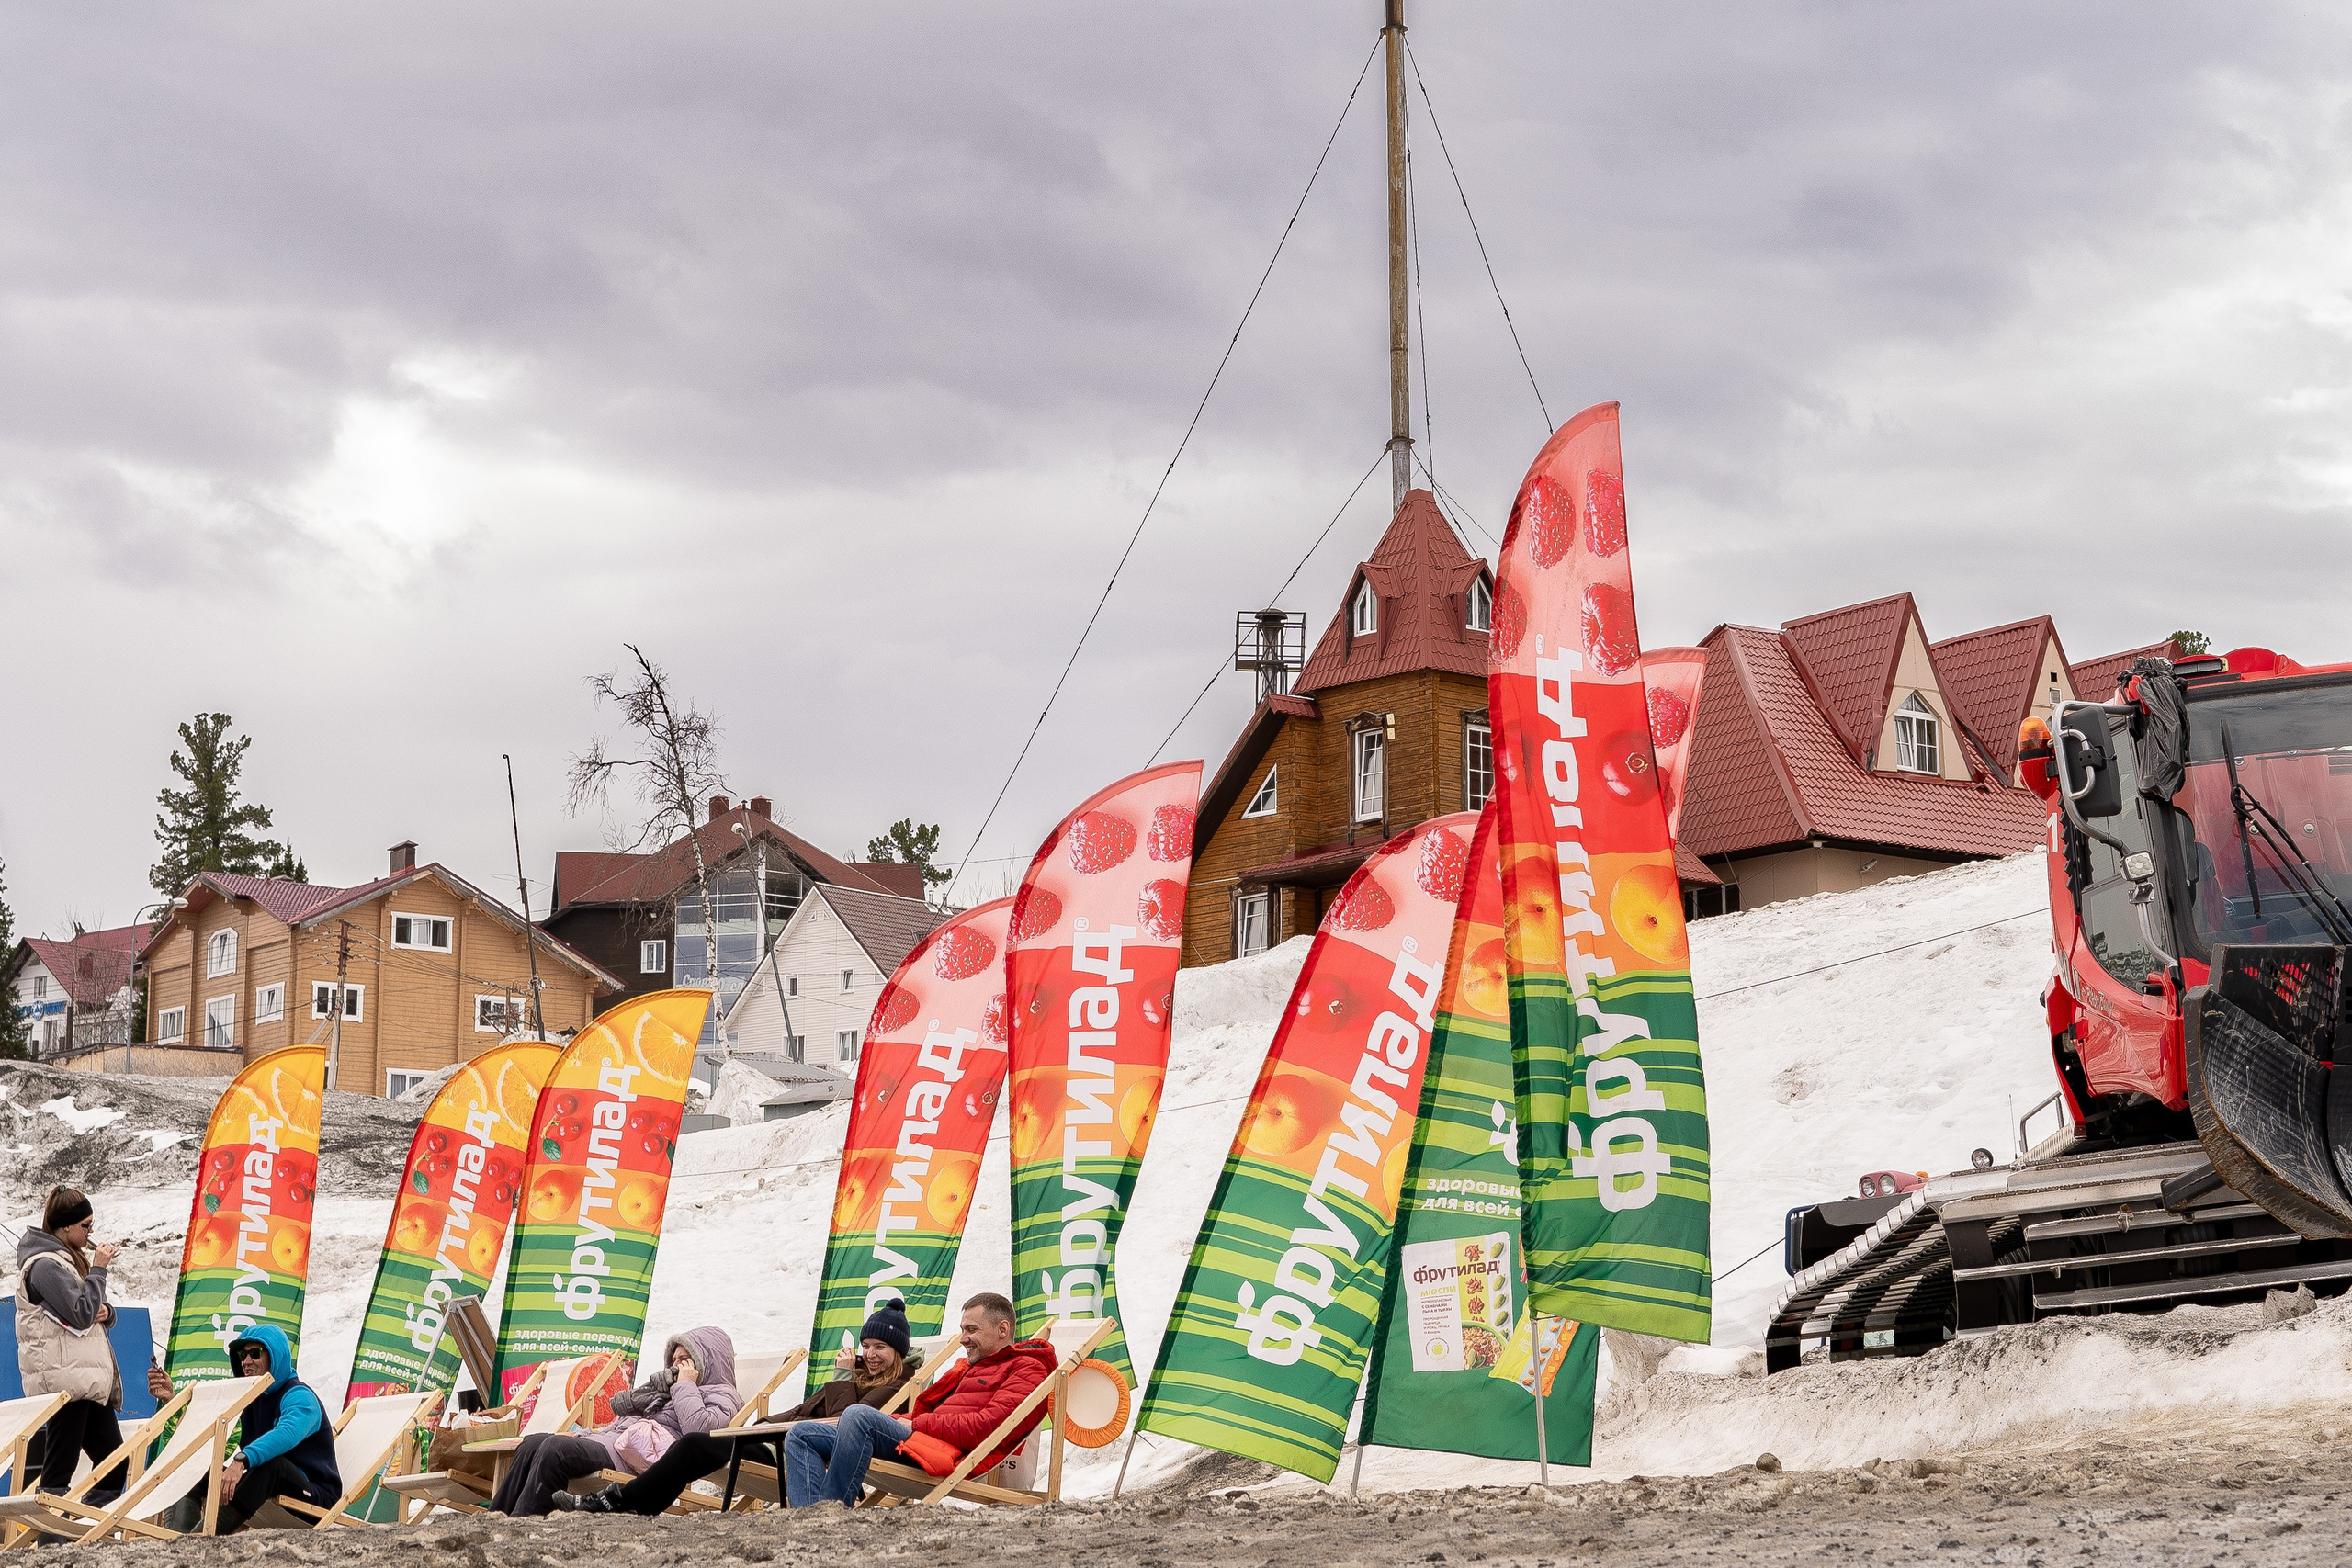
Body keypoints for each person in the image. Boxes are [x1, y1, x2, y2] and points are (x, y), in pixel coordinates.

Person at [556, 1300, 916, 1516]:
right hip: (773, 1438)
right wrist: (760, 1423)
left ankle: (622, 1502)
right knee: (697, 1446)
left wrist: (840, 1376)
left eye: (880, 1348)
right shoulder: (854, 1381)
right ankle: (624, 1502)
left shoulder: (897, 1385)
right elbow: (801, 1412)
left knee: (695, 1444)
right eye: (866, 1345)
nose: (869, 1354)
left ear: (897, 1353)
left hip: (798, 1450)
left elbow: (842, 1424)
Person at [782, 1292, 1056, 1508]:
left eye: (971, 1329)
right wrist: (906, 1420)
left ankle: (830, 1514)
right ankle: (811, 1519)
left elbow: (986, 1427)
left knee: (857, 1416)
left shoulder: (1027, 1368)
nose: (963, 1339)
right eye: (962, 1330)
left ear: (1002, 1329)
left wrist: (918, 1423)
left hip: (944, 1453)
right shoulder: (971, 1366)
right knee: (801, 1434)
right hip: (922, 1440)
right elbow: (936, 1411)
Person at [489, 1327, 741, 1517]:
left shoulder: (722, 1395)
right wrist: (657, 1390)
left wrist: (686, 1385)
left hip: (636, 1457)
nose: (676, 1366)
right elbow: (620, 1407)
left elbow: (700, 1433)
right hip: (612, 1440)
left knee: (555, 1450)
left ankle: (525, 1525)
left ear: (707, 1360)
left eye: (685, 1359)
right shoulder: (668, 1389)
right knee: (532, 1443)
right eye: (673, 1360)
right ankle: (496, 1519)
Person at [16, 1187, 130, 1502]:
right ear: (65, 1226)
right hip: (65, 1379)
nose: (90, 1232)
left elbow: (93, 1308)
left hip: (84, 1378)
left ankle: (84, 1533)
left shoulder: (66, 1261)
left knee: (115, 1464)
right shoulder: (44, 1266)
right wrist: (100, 1269)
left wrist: (107, 1312)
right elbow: (81, 1314)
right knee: (58, 1471)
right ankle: (51, 1539)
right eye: (86, 1225)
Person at [211, 1324, 342, 1532]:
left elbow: (287, 1433)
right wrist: (169, 1400)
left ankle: (205, 1538)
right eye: (242, 1355)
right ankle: (178, 1540)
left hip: (316, 1498)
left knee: (272, 1466)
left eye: (255, 1353)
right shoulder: (250, 1398)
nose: (246, 1361)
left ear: (275, 1357)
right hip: (267, 1487)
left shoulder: (299, 1396)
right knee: (202, 1474)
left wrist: (243, 1459)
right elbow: (208, 1426)